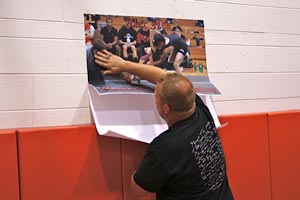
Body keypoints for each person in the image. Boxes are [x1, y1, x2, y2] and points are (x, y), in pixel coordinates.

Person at [94, 50, 234, 200]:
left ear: (165, 108)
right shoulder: (200, 110)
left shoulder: (165, 146)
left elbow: (138, 189)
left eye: (156, 97)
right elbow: (165, 78)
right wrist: (124, 65)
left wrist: (148, 167)